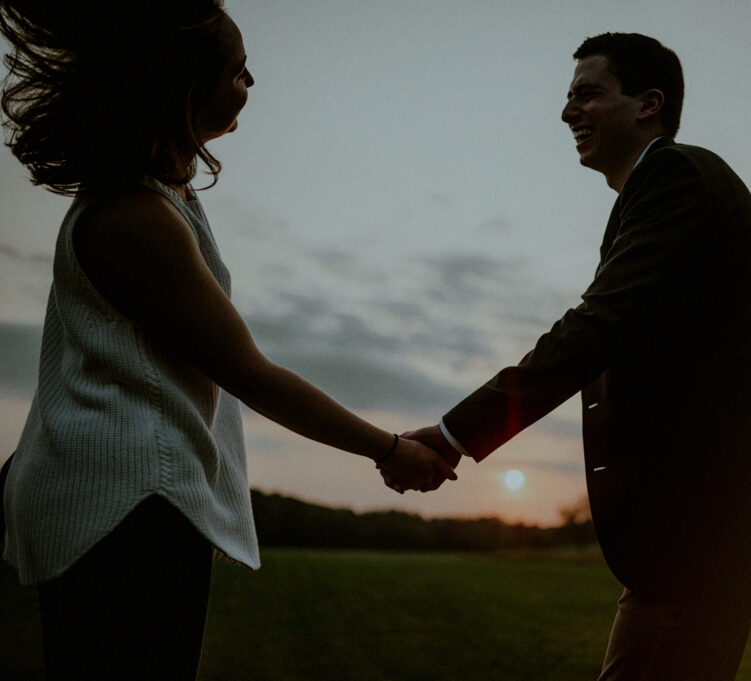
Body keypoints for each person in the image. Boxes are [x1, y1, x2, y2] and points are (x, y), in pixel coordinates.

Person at [0, 2, 454, 679]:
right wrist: (389, 449)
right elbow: (251, 373)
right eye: (238, 71)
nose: (251, 84)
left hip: (114, 504)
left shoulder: (159, 196)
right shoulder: (133, 216)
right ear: (183, 84)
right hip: (128, 510)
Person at [400, 33, 751, 680]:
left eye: (587, 93)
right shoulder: (653, 195)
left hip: (712, 518)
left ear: (648, 104)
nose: (567, 111)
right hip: (692, 528)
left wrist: (452, 433)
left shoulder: (675, 177)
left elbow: (600, 324)